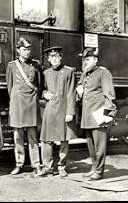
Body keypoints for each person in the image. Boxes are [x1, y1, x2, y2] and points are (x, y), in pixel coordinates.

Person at [76, 47, 116, 181]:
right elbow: (80, 91)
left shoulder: (103, 73)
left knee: (99, 145)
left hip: (99, 114)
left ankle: (99, 171)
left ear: (95, 60)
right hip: (87, 115)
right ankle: (94, 168)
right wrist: (79, 90)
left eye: (88, 59)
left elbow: (109, 95)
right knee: (90, 144)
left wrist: (107, 116)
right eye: (84, 60)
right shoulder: (84, 74)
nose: (85, 62)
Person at [38, 46, 77, 178]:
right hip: (50, 109)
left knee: (64, 140)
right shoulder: (46, 73)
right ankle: (47, 167)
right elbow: (42, 89)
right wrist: (44, 94)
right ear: (48, 59)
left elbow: (71, 93)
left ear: (61, 57)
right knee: (46, 140)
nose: (54, 59)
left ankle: (61, 167)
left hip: (63, 109)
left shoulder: (68, 72)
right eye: (51, 57)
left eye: (56, 56)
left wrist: (70, 112)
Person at [6, 37, 41, 176]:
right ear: (18, 50)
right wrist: (15, 100)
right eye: (24, 50)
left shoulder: (36, 65)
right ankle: (19, 164)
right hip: (18, 102)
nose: (26, 52)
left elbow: (39, 84)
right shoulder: (12, 65)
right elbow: (10, 86)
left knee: (33, 137)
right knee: (18, 137)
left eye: (28, 50)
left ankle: (36, 164)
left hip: (31, 103)